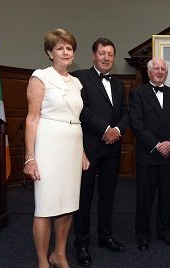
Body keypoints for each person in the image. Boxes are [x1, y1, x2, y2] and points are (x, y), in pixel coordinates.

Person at [23, 28, 90, 268]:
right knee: (45, 206)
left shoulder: (77, 83)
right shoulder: (40, 76)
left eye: (69, 48)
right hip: (48, 145)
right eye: (60, 48)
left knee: (67, 204)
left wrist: (81, 151)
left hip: (72, 146)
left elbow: (77, 118)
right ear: (50, 52)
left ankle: (59, 254)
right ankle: (42, 260)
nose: (65, 52)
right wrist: (30, 158)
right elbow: (32, 119)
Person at [72, 38, 129, 266]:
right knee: (84, 197)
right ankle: (82, 244)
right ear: (93, 55)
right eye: (102, 53)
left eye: (110, 54)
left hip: (112, 148)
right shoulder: (80, 78)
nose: (106, 57)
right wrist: (104, 128)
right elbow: (81, 110)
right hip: (88, 147)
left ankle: (105, 236)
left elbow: (125, 113)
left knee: (108, 195)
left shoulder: (118, 84)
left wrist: (117, 130)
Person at [129, 58, 170, 251]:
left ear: (166, 73)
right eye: (156, 69)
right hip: (148, 154)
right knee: (144, 198)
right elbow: (136, 124)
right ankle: (143, 234)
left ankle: (164, 231)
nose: (160, 72)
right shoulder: (137, 93)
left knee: (166, 196)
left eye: (163, 69)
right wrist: (156, 144)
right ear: (149, 72)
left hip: (169, 154)